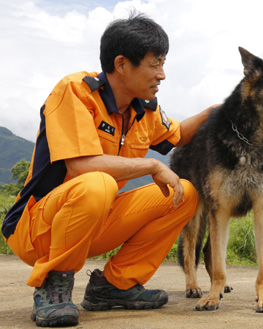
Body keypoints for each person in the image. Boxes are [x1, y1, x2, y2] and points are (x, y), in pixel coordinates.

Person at [1, 12, 214, 327]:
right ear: (122, 64)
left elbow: (179, 133)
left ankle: (114, 286)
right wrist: (152, 165)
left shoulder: (146, 110)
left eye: (163, 64)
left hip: (94, 224)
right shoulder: (75, 91)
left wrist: (219, 109)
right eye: (155, 64)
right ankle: (54, 286)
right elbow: (81, 165)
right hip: (38, 227)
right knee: (98, 182)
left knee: (184, 193)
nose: (162, 75)